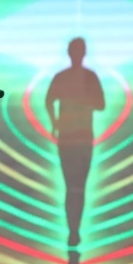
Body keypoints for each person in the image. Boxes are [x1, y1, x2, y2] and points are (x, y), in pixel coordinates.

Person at [45, 38, 105, 249]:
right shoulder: (77, 77)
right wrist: (55, 123)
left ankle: (74, 230)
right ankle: (73, 230)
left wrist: (56, 123)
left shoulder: (84, 77)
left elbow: (101, 104)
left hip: (78, 138)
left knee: (75, 186)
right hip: (73, 139)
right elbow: (49, 100)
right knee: (75, 186)